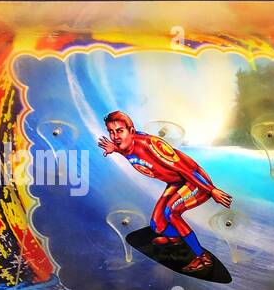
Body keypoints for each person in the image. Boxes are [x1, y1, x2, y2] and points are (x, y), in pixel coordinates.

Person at [99, 111, 232, 273]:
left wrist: (211, 190)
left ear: (132, 131)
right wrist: (115, 149)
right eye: (111, 132)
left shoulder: (152, 146)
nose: (115, 136)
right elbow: (127, 150)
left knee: (172, 212)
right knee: (157, 225)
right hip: (177, 183)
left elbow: (185, 169)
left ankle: (202, 257)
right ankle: (175, 238)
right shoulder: (124, 145)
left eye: (119, 131)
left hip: (195, 182)